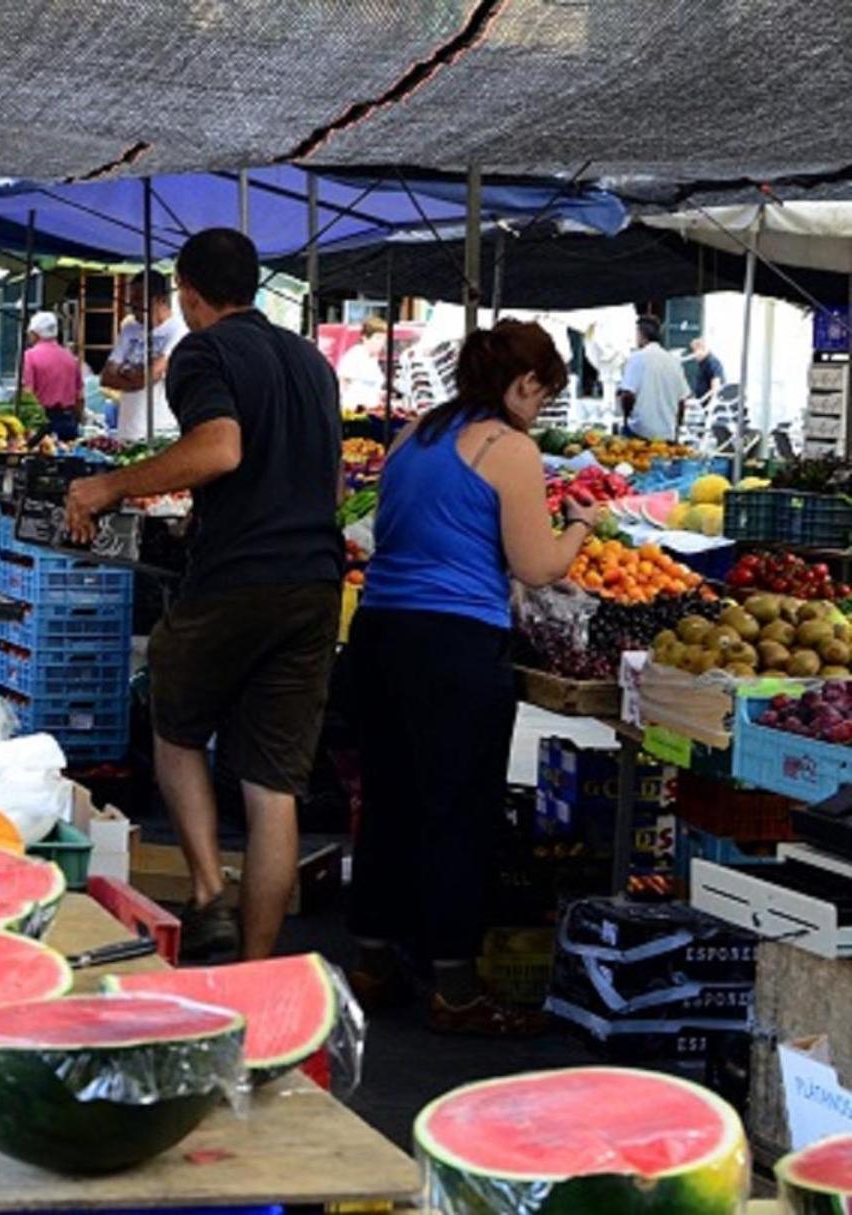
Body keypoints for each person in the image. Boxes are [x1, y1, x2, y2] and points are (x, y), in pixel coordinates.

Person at [65, 229, 343, 961]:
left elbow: (221, 447)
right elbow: (316, 476)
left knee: (174, 721)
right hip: (313, 582)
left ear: (188, 291)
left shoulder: (201, 350)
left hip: (237, 578)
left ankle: (207, 888)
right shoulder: (311, 361)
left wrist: (109, 484)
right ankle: (255, 968)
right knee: (271, 785)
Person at [349, 319, 598, 1035]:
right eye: (542, 396)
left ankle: (372, 957)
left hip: (378, 633)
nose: (539, 411)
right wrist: (580, 524)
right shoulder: (507, 448)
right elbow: (537, 566)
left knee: (389, 796)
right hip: (454, 646)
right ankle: (453, 986)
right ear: (522, 385)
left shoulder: (414, 433)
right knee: (456, 809)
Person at [101, 271, 186, 440]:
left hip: (161, 431)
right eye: (131, 300)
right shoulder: (129, 329)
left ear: (161, 299)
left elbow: (150, 375)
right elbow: (105, 378)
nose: (132, 306)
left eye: (139, 300)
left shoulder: (179, 331)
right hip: (126, 431)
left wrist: (125, 370)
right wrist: (138, 376)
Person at [618, 315, 689, 441]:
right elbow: (682, 401)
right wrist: (677, 428)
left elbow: (627, 394)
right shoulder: (673, 361)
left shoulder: (637, 358)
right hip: (667, 434)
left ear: (640, 334)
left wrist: (625, 418)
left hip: (640, 432)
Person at [21, 311, 85, 440]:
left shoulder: (30, 356)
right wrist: (78, 420)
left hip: (41, 421)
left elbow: (28, 394)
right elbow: (80, 397)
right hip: (68, 421)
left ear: (35, 334)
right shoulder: (71, 358)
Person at [337, 316, 390, 412]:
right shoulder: (355, 355)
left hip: (371, 411)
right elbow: (342, 383)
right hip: (355, 413)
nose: (382, 343)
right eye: (378, 338)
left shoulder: (373, 359)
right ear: (365, 337)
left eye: (384, 339)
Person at [689, 337, 725, 402]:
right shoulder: (702, 363)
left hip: (707, 404)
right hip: (701, 401)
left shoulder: (712, 363)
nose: (694, 355)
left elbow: (716, 386)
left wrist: (711, 405)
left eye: (695, 351)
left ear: (702, 349)